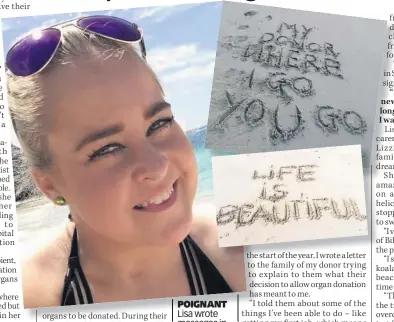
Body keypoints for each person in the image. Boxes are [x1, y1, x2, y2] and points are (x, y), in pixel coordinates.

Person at [6, 15, 246, 308]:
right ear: (49, 185)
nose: (157, 166)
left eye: (159, 123)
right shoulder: (31, 299)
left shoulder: (240, 256)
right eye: (106, 149)